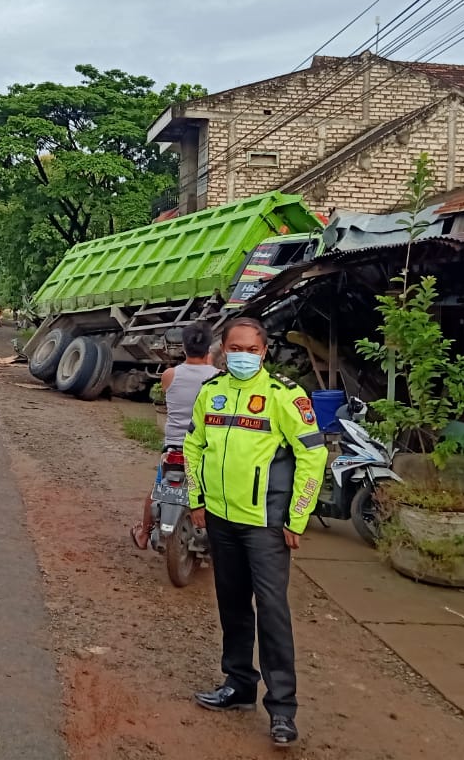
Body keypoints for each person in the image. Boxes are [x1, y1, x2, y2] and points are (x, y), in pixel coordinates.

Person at [183, 317, 327, 749]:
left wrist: (297, 517)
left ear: (263, 353)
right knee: (232, 604)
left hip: (265, 524)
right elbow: (193, 445)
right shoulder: (212, 392)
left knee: (272, 612)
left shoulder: (285, 395)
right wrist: (196, 499)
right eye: (235, 348)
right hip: (221, 519)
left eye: (252, 349)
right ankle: (239, 684)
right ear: (222, 350)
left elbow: (312, 456)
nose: (243, 355)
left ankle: (282, 709)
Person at [130, 322, 219, 549]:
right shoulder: (220, 378)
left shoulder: (170, 375)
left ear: (184, 347)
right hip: (206, 448)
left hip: (174, 447)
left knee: (158, 488)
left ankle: (143, 533)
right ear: (209, 347)